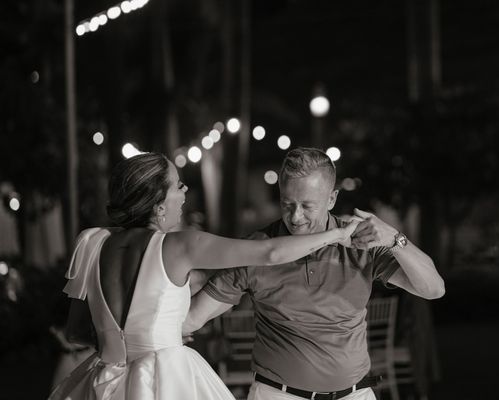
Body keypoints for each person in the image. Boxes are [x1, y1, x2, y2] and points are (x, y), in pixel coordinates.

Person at [48, 152, 361, 400]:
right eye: (178, 185)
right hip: (163, 378)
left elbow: (76, 331)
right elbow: (270, 254)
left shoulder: (92, 242)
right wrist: (336, 235)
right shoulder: (180, 245)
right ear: (159, 203)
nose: (185, 191)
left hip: (102, 379)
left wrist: (127, 339)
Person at [185, 147, 445, 400]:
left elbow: (433, 289)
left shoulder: (361, 242)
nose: (295, 217)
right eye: (287, 204)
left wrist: (394, 239)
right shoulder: (259, 248)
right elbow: (194, 317)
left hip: (355, 394)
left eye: (307, 206)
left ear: (331, 199)